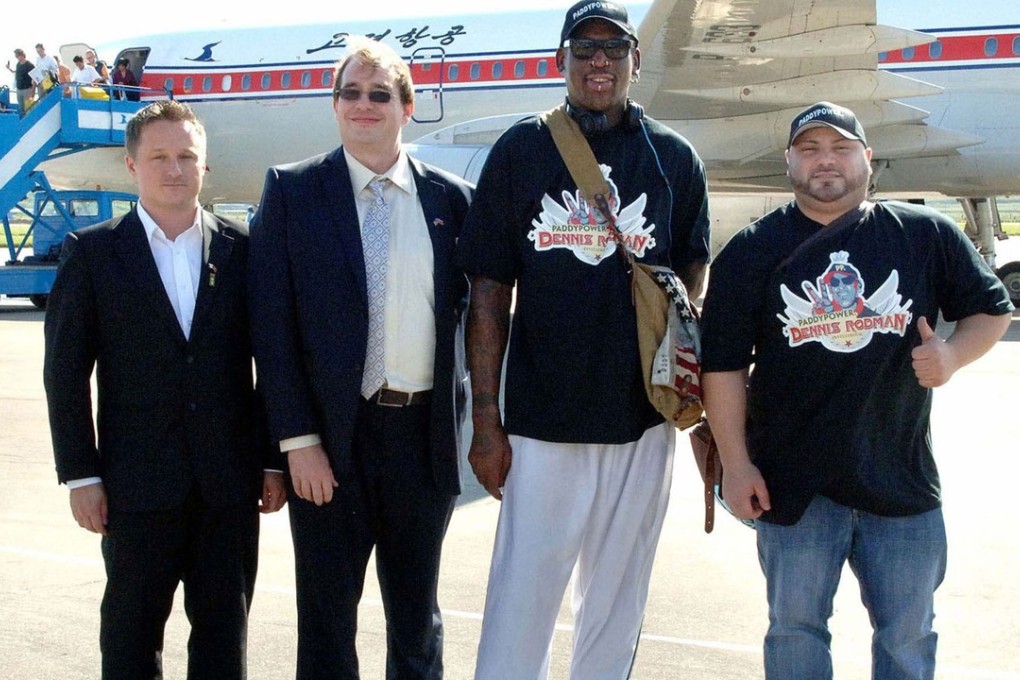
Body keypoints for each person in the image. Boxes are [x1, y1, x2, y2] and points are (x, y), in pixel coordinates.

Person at [700, 101, 1014, 680]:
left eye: (841, 148)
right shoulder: (751, 250)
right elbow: (721, 369)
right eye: (810, 149)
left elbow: (990, 311)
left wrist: (951, 355)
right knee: (795, 631)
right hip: (792, 487)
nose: (826, 161)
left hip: (901, 482)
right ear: (789, 161)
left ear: (868, 158)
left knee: (907, 636)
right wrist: (736, 466)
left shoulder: (923, 234)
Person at [456, 1, 710, 677]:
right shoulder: (520, 151)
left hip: (641, 421)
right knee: (522, 601)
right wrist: (486, 420)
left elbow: (692, 289)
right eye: (585, 48)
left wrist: (693, 406)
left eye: (614, 48)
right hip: (543, 424)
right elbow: (488, 293)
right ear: (560, 60)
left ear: (635, 60)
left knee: (617, 604)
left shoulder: (674, 159)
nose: (600, 61)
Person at [248, 37, 472, 679]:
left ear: (406, 107)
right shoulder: (292, 191)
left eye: (380, 94)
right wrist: (297, 442)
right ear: (335, 105)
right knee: (326, 623)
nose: (363, 104)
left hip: (421, 439)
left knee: (417, 622)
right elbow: (271, 328)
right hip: (329, 443)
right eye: (350, 92)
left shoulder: (452, 200)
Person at [43, 100, 287, 680]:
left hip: (228, 488)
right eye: (159, 157)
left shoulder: (244, 249)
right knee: (130, 639)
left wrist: (271, 461)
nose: (174, 169)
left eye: (186, 156)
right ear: (132, 165)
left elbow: (272, 361)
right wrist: (81, 475)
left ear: (205, 164)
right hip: (133, 488)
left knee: (223, 640)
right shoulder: (93, 252)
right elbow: (65, 373)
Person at [6, 49, 34, 116]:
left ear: (22, 55)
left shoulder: (29, 65)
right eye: (16, 56)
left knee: (28, 108)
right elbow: (16, 72)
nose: (17, 57)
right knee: (21, 107)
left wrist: (33, 90)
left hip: (27, 89)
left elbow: (34, 77)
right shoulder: (18, 64)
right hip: (19, 89)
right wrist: (9, 68)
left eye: (18, 55)